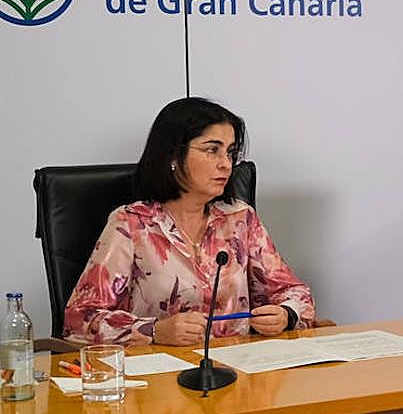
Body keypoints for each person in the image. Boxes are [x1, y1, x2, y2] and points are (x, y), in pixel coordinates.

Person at [63, 97, 315, 347]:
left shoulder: (240, 218)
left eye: (230, 152)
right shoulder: (131, 224)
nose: (226, 164)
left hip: (238, 370)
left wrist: (286, 315)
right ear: (173, 155)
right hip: (161, 374)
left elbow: (296, 293)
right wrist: (154, 331)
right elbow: (79, 320)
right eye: (211, 150)